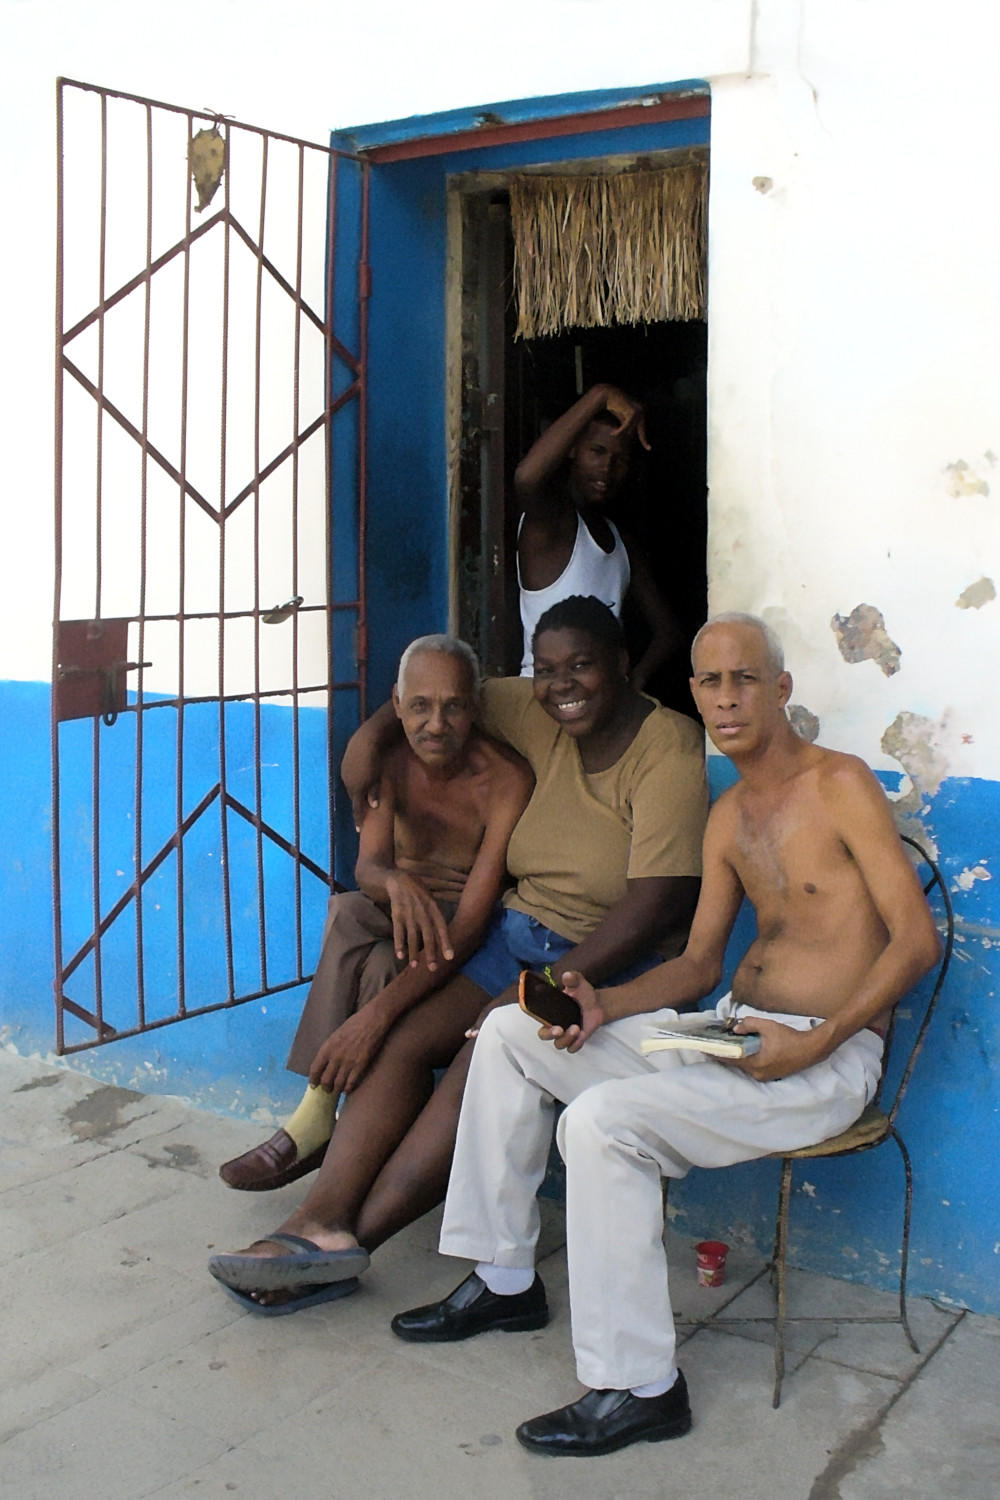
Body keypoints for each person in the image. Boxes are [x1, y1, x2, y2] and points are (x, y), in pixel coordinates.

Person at [391, 612, 942, 1459]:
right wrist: (603, 1003)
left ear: (781, 689)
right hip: (731, 1035)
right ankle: (504, 1278)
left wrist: (819, 1041)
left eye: (745, 679)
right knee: (509, 1033)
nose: (727, 699)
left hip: (821, 1060)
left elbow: (917, 942)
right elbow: (695, 966)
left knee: (601, 1124)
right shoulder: (730, 815)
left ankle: (641, 1386)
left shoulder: (841, 784)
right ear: (693, 693)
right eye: (711, 683)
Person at [208, 596, 707, 1311]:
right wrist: (370, 739)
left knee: (478, 1067)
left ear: (623, 664)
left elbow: (654, 906)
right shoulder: (531, 706)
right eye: (547, 669)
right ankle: (316, 1218)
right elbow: (430, 697)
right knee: (401, 1040)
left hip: (597, 965)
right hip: (516, 936)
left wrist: (542, 986)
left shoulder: (668, 749)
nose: (562, 685)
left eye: (583, 666)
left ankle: (343, 1246)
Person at [515, 382, 680, 688]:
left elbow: (668, 631)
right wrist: (600, 395)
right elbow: (526, 478)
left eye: (621, 459)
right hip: (544, 696)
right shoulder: (552, 523)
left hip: (601, 700)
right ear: (572, 449)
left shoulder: (621, 542)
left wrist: (636, 678)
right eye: (597, 451)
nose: (607, 467)